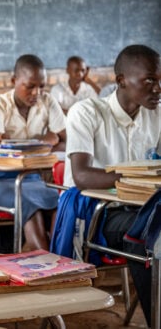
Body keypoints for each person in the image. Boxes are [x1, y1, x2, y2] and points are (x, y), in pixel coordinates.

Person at [63, 44, 160, 326]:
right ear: (121, 81)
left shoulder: (156, 114)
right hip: (99, 209)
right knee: (149, 237)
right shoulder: (87, 111)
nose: (158, 88)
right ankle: (157, 317)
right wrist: (136, 180)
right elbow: (81, 176)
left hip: (143, 205)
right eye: (150, 80)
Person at [0, 54, 66, 251]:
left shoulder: (47, 101)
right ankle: (42, 255)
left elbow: (67, 140)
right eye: (30, 86)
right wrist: (46, 142)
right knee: (30, 203)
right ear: (14, 81)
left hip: (34, 179)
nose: (36, 92)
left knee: (60, 202)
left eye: (41, 86)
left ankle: (58, 257)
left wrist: (31, 148)